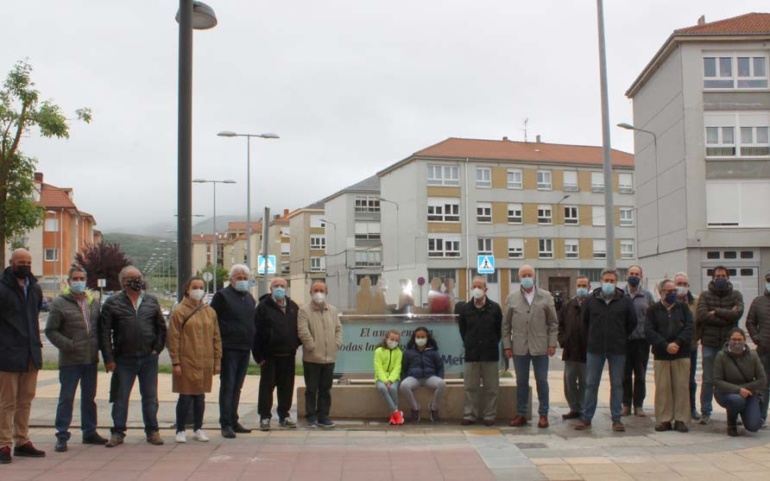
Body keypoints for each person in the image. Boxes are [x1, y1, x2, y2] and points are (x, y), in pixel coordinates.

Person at [99, 266, 167, 448]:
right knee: (120, 397)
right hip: (123, 359)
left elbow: (161, 327)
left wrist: (157, 349)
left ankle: (152, 431)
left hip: (148, 358)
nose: (138, 280)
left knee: (150, 397)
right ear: (123, 282)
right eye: (133, 278)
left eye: (139, 277)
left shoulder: (151, 301)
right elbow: (104, 333)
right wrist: (108, 359)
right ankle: (118, 432)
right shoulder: (112, 303)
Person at [44, 266, 107, 452]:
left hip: (90, 359)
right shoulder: (59, 303)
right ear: (69, 281)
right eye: (75, 278)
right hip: (70, 360)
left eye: (81, 278)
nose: (79, 281)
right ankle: (62, 435)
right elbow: (50, 331)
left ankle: (89, 431)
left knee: (89, 398)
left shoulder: (93, 302)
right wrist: (68, 344)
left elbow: (98, 329)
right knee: (66, 398)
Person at [575, 269, 637, 432]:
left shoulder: (625, 301)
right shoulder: (590, 300)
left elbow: (632, 322)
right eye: (606, 280)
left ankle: (616, 419)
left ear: (616, 283)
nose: (608, 283)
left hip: (617, 349)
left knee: (617, 384)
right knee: (591, 384)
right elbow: (584, 323)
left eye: (612, 281)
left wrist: (621, 337)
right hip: (595, 348)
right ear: (600, 282)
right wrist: (591, 338)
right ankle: (586, 418)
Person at [0, 249, 45, 464]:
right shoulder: (2, 288)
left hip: (30, 354)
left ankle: (22, 440)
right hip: (7, 354)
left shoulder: (35, 288)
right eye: (21, 262)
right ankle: (4, 444)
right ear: (11, 263)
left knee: (25, 401)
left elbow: (34, 318)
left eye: (28, 262)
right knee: (7, 402)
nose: (25, 266)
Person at [502, 265, 558, 428]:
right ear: (519, 277)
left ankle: (543, 414)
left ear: (534, 277)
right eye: (523, 275)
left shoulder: (546, 297)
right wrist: (507, 346)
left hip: (540, 346)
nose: (527, 277)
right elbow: (505, 325)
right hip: (519, 347)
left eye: (529, 274)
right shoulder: (511, 298)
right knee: (521, 382)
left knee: (542, 380)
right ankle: (522, 414)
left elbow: (553, 322)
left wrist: (552, 343)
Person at [168, 276, 222, 444]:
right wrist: (175, 361)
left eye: (201, 287)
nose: (198, 290)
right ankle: (181, 429)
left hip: (204, 360)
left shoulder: (210, 312)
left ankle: (198, 428)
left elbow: (216, 337)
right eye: (195, 287)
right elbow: (173, 338)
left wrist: (217, 360)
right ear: (187, 290)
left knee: (200, 396)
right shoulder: (179, 311)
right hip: (186, 360)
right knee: (185, 396)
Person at [210, 264, 256, 438]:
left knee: (238, 387)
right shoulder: (222, 296)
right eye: (239, 277)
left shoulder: (249, 298)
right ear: (231, 279)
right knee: (228, 386)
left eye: (245, 278)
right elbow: (212, 322)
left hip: (245, 348)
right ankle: (226, 423)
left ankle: (234, 419)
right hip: (229, 348)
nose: (243, 281)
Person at [696, 266, 744, 425]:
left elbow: (737, 314)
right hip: (709, 343)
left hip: (728, 345)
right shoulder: (705, 295)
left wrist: (715, 311)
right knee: (708, 379)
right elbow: (702, 315)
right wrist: (726, 314)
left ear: (728, 277)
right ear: (712, 278)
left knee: (732, 380)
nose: (720, 278)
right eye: (717, 276)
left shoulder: (736, 295)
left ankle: (734, 413)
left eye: (723, 275)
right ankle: (705, 412)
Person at [645, 279, 694, 433]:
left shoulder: (683, 308)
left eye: (674, 291)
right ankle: (664, 419)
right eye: (669, 291)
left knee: (681, 386)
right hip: (661, 354)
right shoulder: (653, 309)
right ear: (661, 292)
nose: (673, 294)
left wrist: (677, 343)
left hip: (681, 352)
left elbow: (690, 327)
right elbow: (649, 331)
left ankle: (681, 419)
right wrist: (665, 345)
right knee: (663, 388)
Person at [254, 277, 300, 431]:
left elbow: (298, 329)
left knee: (286, 387)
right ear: (271, 288)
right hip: (269, 356)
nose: (279, 288)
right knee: (267, 387)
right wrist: (258, 356)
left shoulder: (293, 306)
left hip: (288, 354)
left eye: (282, 285)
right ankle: (265, 417)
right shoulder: (263, 307)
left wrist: (295, 344)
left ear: (286, 288)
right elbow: (256, 332)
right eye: (276, 286)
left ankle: (284, 415)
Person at [457, 276, 503, 426]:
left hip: (490, 353)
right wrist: (470, 343)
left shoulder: (495, 308)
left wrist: (490, 342)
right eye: (474, 286)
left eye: (479, 286)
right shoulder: (465, 309)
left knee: (491, 388)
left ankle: (489, 415)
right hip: (472, 353)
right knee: (470, 387)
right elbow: (463, 330)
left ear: (485, 289)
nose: (477, 289)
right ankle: (469, 415)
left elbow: (498, 331)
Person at [297, 281, 343, 428]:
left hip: (329, 357)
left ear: (326, 292)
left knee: (325, 389)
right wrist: (312, 347)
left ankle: (323, 416)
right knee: (311, 390)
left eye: (321, 290)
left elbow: (338, 329)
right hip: (312, 358)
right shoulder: (304, 311)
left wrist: (336, 344)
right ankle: (311, 417)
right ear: (310, 292)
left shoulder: (333, 310)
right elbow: (303, 331)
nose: (318, 293)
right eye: (315, 290)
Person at [714, 328, 767, 436]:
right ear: (728, 340)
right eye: (734, 339)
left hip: (748, 393)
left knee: (753, 427)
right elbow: (716, 381)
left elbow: (762, 379)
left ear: (744, 340)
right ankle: (732, 422)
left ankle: (745, 411)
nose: (737, 342)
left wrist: (744, 389)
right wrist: (738, 390)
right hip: (726, 393)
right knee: (737, 400)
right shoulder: (721, 356)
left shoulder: (753, 355)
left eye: (740, 339)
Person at [622, 265, 654, 417]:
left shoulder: (647, 296)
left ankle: (639, 405)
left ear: (641, 277)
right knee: (625, 375)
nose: (634, 276)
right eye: (631, 273)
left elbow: (653, 318)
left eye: (637, 274)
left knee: (640, 375)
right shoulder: (620, 294)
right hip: (624, 341)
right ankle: (626, 405)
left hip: (642, 341)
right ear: (627, 275)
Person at [558, 276, 590, 420]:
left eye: (584, 285)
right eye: (579, 285)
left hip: (586, 351)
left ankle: (583, 408)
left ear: (589, 287)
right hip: (570, 350)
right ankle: (573, 407)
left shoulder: (591, 304)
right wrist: (563, 340)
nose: (581, 288)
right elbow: (561, 325)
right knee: (569, 380)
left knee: (585, 381)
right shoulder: (568, 305)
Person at [400, 327, 446, 422]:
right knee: (404, 385)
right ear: (414, 338)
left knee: (442, 384)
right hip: (414, 378)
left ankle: (433, 409)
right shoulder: (408, 352)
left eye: (422, 337)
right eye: (418, 337)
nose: (420, 339)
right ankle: (415, 408)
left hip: (429, 377)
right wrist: (404, 378)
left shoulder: (433, 352)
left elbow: (440, 366)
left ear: (427, 338)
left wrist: (439, 377)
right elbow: (403, 368)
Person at [674, 272, 701, 421]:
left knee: (690, 379)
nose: (682, 287)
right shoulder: (669, 300)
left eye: (684, 284)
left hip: (690, 346)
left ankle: (692, 408)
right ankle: (676, 408)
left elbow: (699, 323)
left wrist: (696, 339)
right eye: (679, 284)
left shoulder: (696, 301)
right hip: (673, 346)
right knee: (674, 379)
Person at [746, 271, 770, 424]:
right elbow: (750, 322)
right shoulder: (758, 302)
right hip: (764, 350)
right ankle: (761, 416)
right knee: (763, 384)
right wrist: (757, 338)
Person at [373, 330, 403, 425]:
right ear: (386, 339)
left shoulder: (399, 352)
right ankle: (396, 413)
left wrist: (390, 380)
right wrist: (385, 381)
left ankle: (393, 417)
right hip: (381, 378)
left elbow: (397, 368)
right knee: (382, 388)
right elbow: (378, 367)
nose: (393, 341)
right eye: (391, 339)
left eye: (396, 340)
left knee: (393, 389)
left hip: (394, 378)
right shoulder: (378, 351)